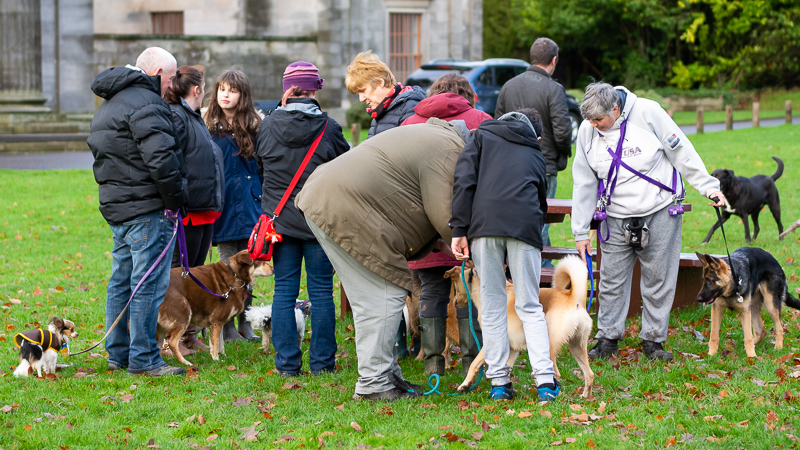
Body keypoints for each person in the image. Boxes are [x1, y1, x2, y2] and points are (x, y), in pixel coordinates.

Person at [295, 118, 469, 401]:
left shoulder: (435, 136)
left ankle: (386, 375)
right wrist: (467, 245)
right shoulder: (448, 147)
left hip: (328, 197)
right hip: (344, 204)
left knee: (374, 299)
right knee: (383, 296)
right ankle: (374, 384)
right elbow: (444, 215)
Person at [572, 83, 725, 361]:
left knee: (659, 277)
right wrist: (581, 230)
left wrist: (709, 187)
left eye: (599, 120)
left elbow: (682, 152)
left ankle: (654, 340)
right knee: (611, 279)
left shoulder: (649, 113)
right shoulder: (588, 130)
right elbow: (583, 182)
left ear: (616, 109)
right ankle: (607, 339)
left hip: (659, 208)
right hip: (615, 215)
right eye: (590, 120)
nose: (594, 125)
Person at [88, 47, 187, 376]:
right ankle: (143, 358)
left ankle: (117, 353)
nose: (171, 87)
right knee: (148, 284)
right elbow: (162, 160)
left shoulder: (110, 103)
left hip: (119, 209)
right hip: (147, 209)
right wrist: (175, 200)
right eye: (170, 79)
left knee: (121, 281)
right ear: (158, 72)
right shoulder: (147, 103)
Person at [450, 109, 559, 402]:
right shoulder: (534, 151)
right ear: (536, 134)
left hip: (484, 227)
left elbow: (464, 183)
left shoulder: (480, 137)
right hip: (524, 227)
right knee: (529, 305)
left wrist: (459, 229)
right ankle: (545, 381)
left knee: (493, 304)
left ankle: (499, 381)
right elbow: (540, 199)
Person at [256, 61, 349, 376]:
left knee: (284, 290)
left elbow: (260, 170)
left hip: (279, 222)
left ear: (287, 90)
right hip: (318, 220)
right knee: (321, 290)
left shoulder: (267, 126)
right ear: (315, 89)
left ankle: (286, 364)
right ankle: (323, 364)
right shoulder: (329, 128)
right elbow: (345, 174)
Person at [401, 72, 491, 376]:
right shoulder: (482, 120)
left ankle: (433, 365)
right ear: (469, 95)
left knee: (429, 292)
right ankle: (471, 363)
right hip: (470, 223)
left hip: (421, 225)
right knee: (468, 290)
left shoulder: (409, 124)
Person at [345, 49, 426, 359]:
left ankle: (423, 343)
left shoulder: (409, 111)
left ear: (381, 82)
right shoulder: (381, 113)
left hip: (405, 211)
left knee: (412, 283)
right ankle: (399, 344)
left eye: (364, 91)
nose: (363, 99)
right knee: (391, 279)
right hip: (383, 210)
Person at [163, 64, 225, 355]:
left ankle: (189, 334)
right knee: (179, 278)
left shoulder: (194, 117)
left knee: (194, 278)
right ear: (197, 90)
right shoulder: (177, 117)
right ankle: (169, 338)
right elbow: (173, 164)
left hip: (204, 211)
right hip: (187, 213)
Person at [494, 37, 572, 268]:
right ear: (554, 60)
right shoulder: (553, 89)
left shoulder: (508, 86)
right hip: (543, 165)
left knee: (526, 221)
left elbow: (498, 123)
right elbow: (562, 131)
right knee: (540, 222)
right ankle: (542, 272)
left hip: (510, 166)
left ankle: (539, 271)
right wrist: (562, 155)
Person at [204, 69, 263, 342]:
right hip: (224, 207)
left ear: (243, 95)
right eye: (222, 89)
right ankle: (225, 325)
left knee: (248, 269)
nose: (226, 95)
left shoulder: (256, 126)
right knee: (226, 270)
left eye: (233, 90)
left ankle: (245, 321)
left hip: (251, 206)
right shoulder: (207, 126)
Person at [345, 50, 426, 139]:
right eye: (358, 93)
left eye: (363, 90)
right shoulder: (379, 111)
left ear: (380, 82)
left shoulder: (410, 106)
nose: (361, 99)